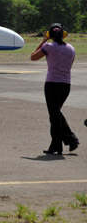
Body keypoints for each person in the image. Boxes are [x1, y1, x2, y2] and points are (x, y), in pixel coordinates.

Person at [30, 23, 79, 155]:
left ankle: (58, 144)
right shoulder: (71, 48)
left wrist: (43, 41)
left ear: (50, 35)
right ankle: (69, 139)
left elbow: (33, 57)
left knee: (54, 115)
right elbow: (70, 65)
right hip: (66, 85)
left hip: (52, 84)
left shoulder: (49, 47)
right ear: (64, 34)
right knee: (56, 114)